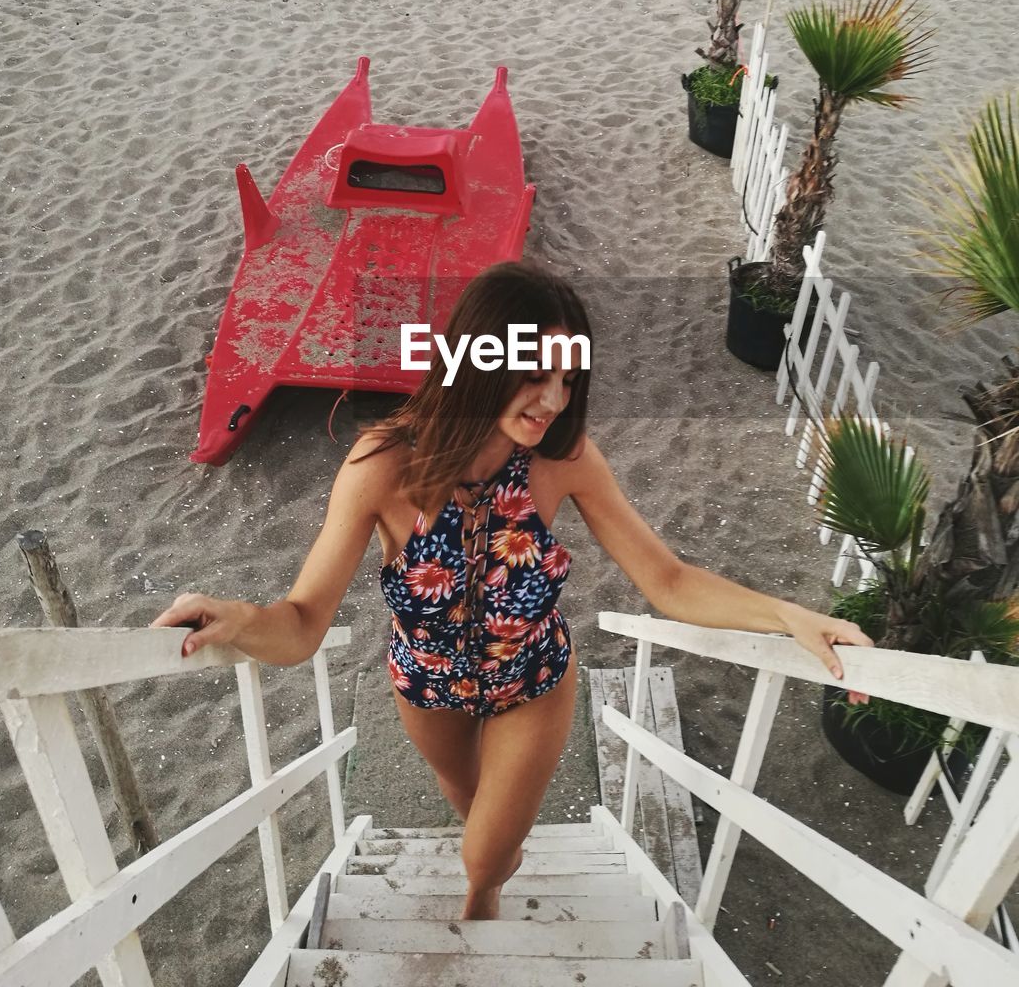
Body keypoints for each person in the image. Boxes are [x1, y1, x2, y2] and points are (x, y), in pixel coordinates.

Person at [152, 260, 872, 920]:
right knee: (468, 805)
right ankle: (488, 859)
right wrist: (241, 618)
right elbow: (303, 623)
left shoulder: (563, 462)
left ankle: (483, 894)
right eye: (535, 374)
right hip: (428, 690)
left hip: (532, 682)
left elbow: (670, 581)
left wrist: (785, 615)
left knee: (484, 853)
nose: (553, 400)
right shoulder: (382, 466)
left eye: (567, 379)